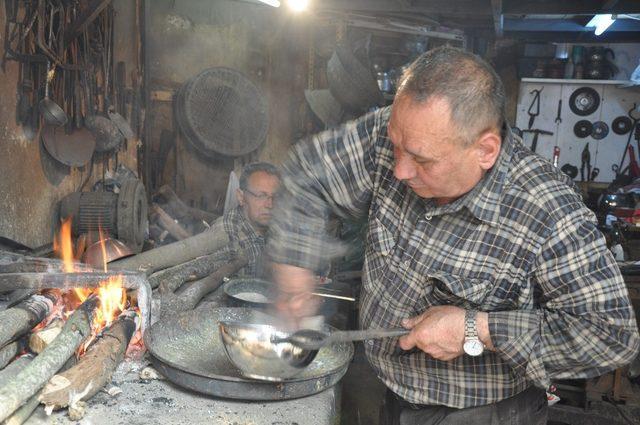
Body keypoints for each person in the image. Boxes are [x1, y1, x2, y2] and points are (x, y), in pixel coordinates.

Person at [267, 47, 639, 425]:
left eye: (422, 160)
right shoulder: (405, 132)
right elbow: (307, 171)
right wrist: (296, 271)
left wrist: (477, 328)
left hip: (483, 414)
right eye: (396, 146)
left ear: (485, 150)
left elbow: (611, 335)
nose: (399, 170)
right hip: (392, 394)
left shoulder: (547, 211)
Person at [210, 162, 280, 278]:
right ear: (241, 197)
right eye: (261, 196)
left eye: (275, 197)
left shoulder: (277, 229)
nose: (270, 204)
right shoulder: (225, 234)